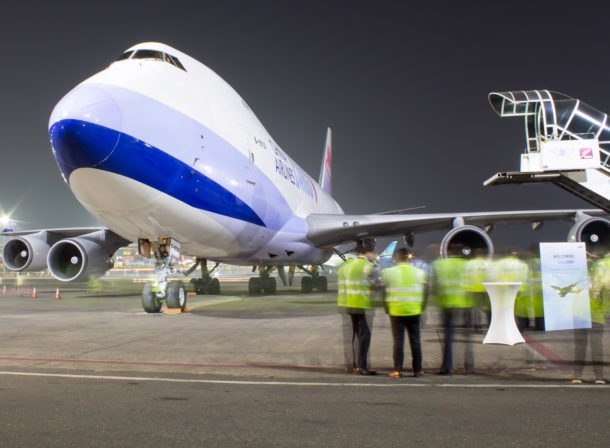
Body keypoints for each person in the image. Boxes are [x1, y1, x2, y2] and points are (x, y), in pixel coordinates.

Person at [381, 248, 427, 378]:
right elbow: (425, 292)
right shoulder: (420, 273)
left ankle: (397, 370)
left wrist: (387, 308)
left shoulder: (388, 273)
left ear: (396, 258)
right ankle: (418, 370)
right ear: (409, 258)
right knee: (416, 341)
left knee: (398, 341)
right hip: (414, 310)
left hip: (396, 310)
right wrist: (421, 307)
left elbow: (384, 293)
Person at [432, 252, 474, 374]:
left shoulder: (440, 264)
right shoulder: (467, 264)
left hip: (447, 303)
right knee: (467, 337)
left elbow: (436, 286)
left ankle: (447, 366)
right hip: (465, 303)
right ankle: (469, 366)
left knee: (448, 337)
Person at [344, 238, 381, 375]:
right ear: (369, 252)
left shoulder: (349, 265)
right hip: (362, 304)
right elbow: (377, 283)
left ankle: (353, 365)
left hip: (350, 303)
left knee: (355, 336)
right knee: (364, 336)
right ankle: (362, 366)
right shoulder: (369, 266)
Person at [573, 253, 609, 385]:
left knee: (580, 345)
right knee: (596, 345)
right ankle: (599, 376)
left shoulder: (578, 269)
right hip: (595, 312)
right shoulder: (602, 270)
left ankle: (577, 375)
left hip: (579, 311)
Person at [337, 256, 356, 372]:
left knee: (348, 338)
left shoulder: (342, 268)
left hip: (343, 305)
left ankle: (349, 365)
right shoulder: (360, 267)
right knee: (360, 337)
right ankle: (361, 365)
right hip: (359, 305)